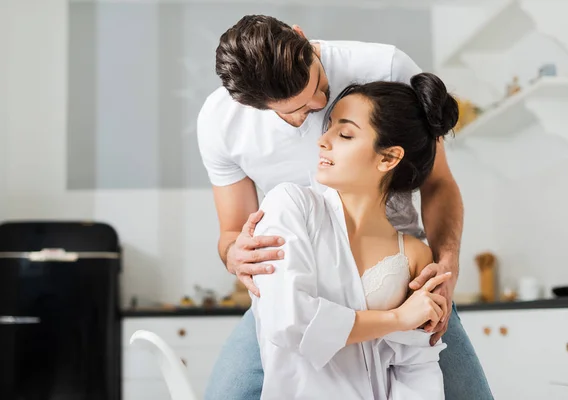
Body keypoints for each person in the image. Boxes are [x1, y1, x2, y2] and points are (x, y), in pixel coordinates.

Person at [196, 15, 492, 400]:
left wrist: (446, 268)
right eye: (298, 111)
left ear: (302, 38)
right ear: (250, 104)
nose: (318, 106)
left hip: (400, 280)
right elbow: (232, 234)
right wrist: (235, 254)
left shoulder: (386, 67)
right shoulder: (222, 122)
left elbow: (438, 182)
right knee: (229, 392)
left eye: (318, 85)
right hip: (297, 285)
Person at [252, 72, 455, 400]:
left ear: (388, 158)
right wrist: (397, 318)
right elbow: (288, 321)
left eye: (345, 134)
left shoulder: (415, 254)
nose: (323, 140)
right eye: (329, 125)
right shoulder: (289, 205)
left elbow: (418, 369)